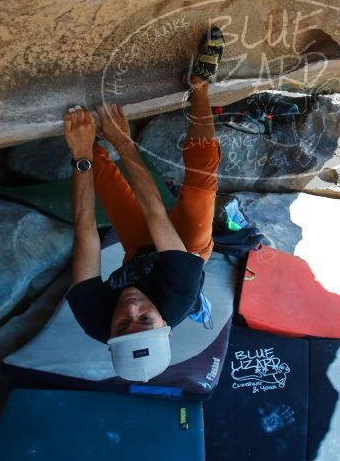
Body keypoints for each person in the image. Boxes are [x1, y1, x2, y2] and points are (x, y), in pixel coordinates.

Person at [62, 27, 225, 381]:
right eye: (145, 320)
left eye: (122, 325)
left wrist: (81, 152)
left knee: (93, 166)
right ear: (164, 322)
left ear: (109, 334)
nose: (131, 308)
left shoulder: (93, 318)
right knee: (201, 182)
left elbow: (86, 229)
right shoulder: (179, 294)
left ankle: (87, 136)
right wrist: (123, 142)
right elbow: (153, 210)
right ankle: (198, 85)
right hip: (186, 249)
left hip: (139, 253)